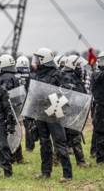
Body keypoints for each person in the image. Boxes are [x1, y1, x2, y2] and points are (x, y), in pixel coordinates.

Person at [31, 47, 72, 183]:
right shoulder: (36, 75)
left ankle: (67, 174)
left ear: (44, 59)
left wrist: (57, 102)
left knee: (60, 143)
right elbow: (32, 94)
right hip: (41, 112)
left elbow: (68, 92)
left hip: (54, 112)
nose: (36, 60)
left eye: (38, 58)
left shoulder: (58, 74)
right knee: (44, 143)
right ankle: (45, 172)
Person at [0, 54, 26, 164]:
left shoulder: (5, 77)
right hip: (17, 107)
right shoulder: (16, 75)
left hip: (9, 109)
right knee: (15, 131)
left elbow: (4, 93)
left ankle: (12, 157)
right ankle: (19, 157)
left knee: (9, 133)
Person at [62, 55, 91, 167]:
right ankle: (80, 161)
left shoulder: (74, 76)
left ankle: (56, 158)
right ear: (72, 65)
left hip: (74, 110)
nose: (80, 67)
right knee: (72, 136)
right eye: (78, 65)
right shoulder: (67, 77)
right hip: (69, 111)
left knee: (67, 136)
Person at [16, 56, 37, 152]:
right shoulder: (32, 75)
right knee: (28, 126)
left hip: (17, 103)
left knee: (15, 126)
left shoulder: (15, 76)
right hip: (29, 103)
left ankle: (16, 147)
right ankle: (29, 147)